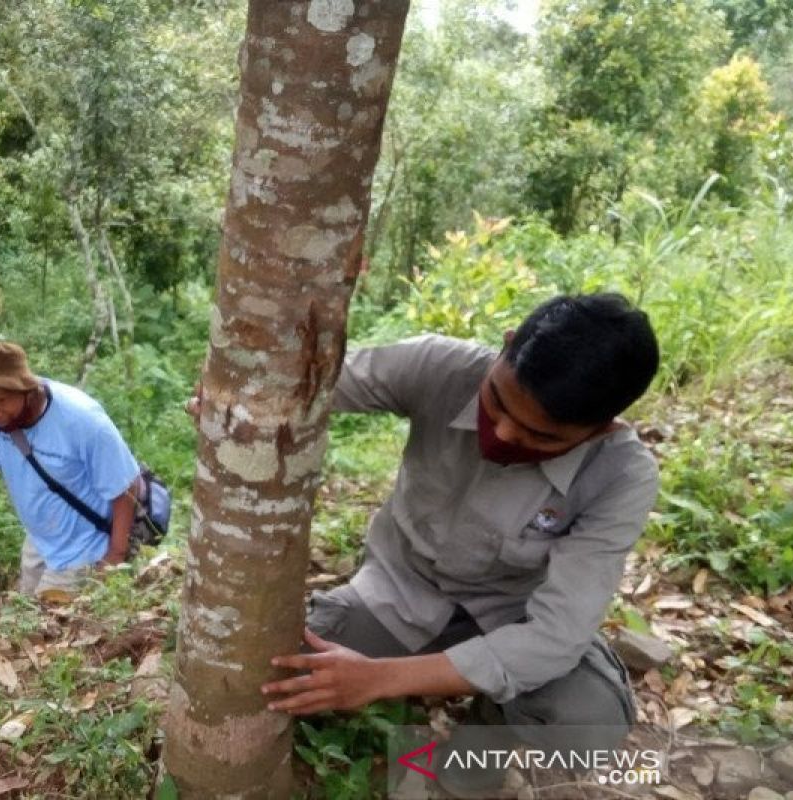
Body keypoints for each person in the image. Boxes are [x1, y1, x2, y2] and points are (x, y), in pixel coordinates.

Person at [250, 293, 661, 795]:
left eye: (542, 437)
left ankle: (472, 755)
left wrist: (380, 679)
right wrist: (238, 408)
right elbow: (308, 388)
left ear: (603, 429)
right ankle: (407, 713)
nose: (504, 434)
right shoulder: (440, 367)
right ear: (507, 346)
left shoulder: (622, 475)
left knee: (587, 726)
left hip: (512, 616)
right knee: (274, 676)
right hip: (399, 590)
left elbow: (554, 635)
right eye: (497, 401)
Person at [0, 341, 141, 598]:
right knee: (25, 612)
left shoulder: (82, 420)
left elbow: (126, 486)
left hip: (84, 548)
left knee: (46, 631)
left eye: (1, 401)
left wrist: (114, 557)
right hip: (40, 542)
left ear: (27, 391)